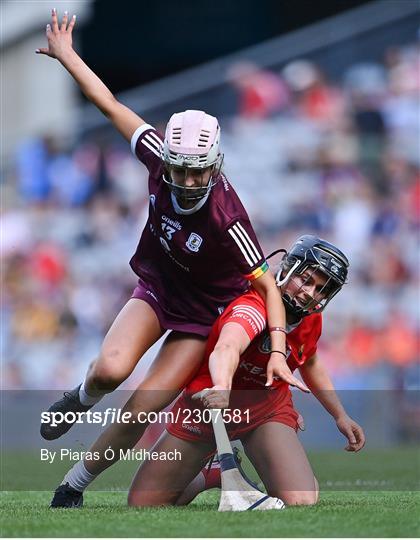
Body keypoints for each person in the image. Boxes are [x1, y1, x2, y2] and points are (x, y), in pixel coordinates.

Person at [36, 8, 310, 490]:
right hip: (160, 289)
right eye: (179, 168)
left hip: (203, 315)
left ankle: (73, 484)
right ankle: (79, 397)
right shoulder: (159, 157)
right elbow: (110, 105)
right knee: (109, 371)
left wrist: (279, 349)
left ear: (215, 163)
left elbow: (267, 283)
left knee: (145, 402)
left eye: (197, 171)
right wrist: (67, 56)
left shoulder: (227, 218)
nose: (185, 181)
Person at [116, 235, 365, 508]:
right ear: (288, 268)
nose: (309, 292)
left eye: (321, 289)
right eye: (305, 280)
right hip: (209, 407)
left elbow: (311, 362)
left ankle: (284, 470)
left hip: (265, 410)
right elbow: (227, 347)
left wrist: (340, 415)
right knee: (143, 503)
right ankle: (210, 473)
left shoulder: (311, 319)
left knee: (301, 499)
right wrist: (222, 385)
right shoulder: (253, 305)